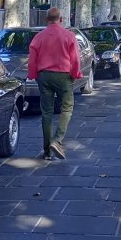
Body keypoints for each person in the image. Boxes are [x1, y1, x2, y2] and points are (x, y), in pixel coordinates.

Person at [27, 8, 82, 160]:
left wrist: (33, 75)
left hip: (44, 76)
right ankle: (57, 140)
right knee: (67, 108)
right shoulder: (69, 36)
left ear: (46, 20)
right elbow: (75, 59)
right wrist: (75, 74)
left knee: (47, 112)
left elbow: (32, 59)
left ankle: (47, 151)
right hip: (63, 75)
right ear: (61, 19)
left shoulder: (38, 37)